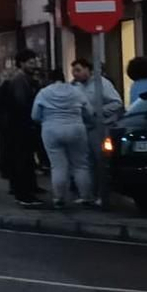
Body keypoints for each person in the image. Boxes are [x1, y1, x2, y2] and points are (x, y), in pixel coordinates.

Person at [30, 62, 94, 209]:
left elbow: (35, 115)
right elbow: (89, 112)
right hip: (76, 128)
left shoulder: (44, 92)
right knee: (80, 165)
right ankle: (86, 196)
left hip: (51, 129)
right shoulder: (76, 91)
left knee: (58, 166)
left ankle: (59, 198)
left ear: (50, 79)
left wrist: (45, 120)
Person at [72, 61, 124, 209]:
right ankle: (88, 194)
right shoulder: (76, 86)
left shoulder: (102, 84)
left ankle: (103, 195)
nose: (75, 74)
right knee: (86, 163)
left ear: (88, 70)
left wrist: (98, 112)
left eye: (78, 70)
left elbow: (116, 102)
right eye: (74, 71)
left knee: (101, 161)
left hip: (100, 128)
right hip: (84, 128)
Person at [0, 57, 42, 206]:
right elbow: (22, 103)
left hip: (19, 126)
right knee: (23, 160)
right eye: (30, 62)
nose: (34, 65)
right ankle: (23, 193)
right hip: (20, 127)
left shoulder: (24, 79)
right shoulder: (20, 80)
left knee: (24, 160)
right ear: (22, 63)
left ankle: (24, 190)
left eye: (34, 62)